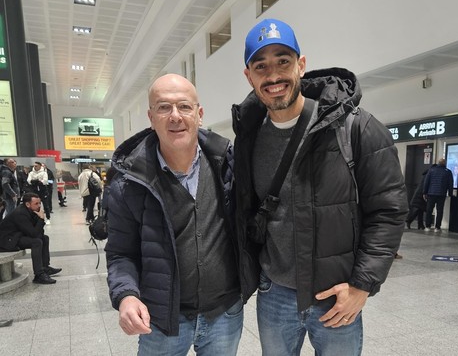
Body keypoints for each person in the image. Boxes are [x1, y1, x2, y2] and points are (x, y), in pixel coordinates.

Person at [232, 19, 408, 355]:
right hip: (275, 294)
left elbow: (388, 211)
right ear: (249, 76)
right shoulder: (248, 136)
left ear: (301, 65)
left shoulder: (356, 128)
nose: (273, 76)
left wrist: (362, 286)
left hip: (337, 294)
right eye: (261, 66)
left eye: (283, 61)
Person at [105, 74, 257, 356]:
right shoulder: (129, 183)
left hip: (224, 313)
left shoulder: (227, 165)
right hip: (162, 319)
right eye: (164, 108)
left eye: (184, 107)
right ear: (151, 117)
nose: (175, 116)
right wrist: (126, 296)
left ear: (199, 114)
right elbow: (120, 253)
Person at [0, 192, 61, 284]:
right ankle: (38, 275)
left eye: (39, 203)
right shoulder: (20, 213)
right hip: (7, 241)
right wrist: (41, 219)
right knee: (36, 242)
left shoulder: (32, 211)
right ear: (27, 204)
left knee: (45, 238)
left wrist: (39, 219)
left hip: (17, 235)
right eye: (36, 204)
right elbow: (34, 234)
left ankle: (45, 267)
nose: (39, 205)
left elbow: (39, 232)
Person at [422, 158, 453, 232]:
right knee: (440, 211)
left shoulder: (431, 170)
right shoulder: (448, 172)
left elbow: (426, 182)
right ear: (445, 163)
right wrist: (450, 193)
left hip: (431, 193)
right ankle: (437, 227)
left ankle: (428, 226)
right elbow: (450, 183)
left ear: (438, 163)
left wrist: (424, 192)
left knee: (429, 210)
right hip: (441, 194)